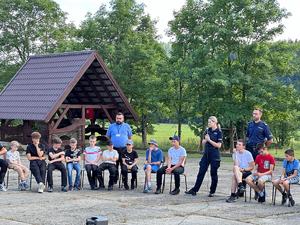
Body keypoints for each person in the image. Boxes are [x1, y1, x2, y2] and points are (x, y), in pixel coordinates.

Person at [185, 116, 222, 197]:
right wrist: (205, 141)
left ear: (214, 122)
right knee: (201, 172)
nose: (208, 124)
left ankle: (212, 191)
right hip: (206, 154)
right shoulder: (207, 130)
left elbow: (219, 145)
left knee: (213, 173)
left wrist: (209, 140)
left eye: (210, 122)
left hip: (214, 155)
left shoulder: (219, 132)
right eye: (208, 122)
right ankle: (195, 190)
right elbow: (203, 142)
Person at [106, 112, 132, 181]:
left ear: (123, 119)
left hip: (124, 149)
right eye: (117, 118)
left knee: (123, 165)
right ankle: (114, 179)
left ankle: (124, 180)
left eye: (120, 118)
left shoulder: (127, 126)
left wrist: (129, 146)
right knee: (114, 165)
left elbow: (130, 137)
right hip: (114, 149)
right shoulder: (111, 126)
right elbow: (108, 136)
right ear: (115, 118)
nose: (118, 120)